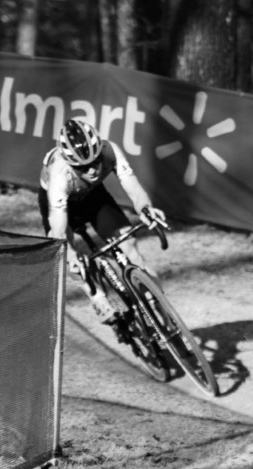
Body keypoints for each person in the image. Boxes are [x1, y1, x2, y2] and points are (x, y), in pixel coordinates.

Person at [39, 117, 168, 324]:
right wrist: (71, 254)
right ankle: (96, 296)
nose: (92, 170)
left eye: (95, 162)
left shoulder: (111, 150)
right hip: (61, 207)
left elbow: (133, 187)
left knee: (130, 245)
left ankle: (164, 310)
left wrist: (145, 208)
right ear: (71, 164)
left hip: (93, 196)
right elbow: (59, 227)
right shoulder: (59, 173)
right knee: (67, 255)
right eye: (82, 167)